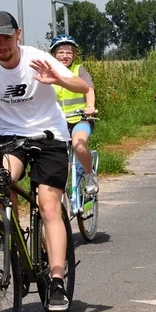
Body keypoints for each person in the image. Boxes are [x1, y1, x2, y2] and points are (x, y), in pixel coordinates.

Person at [0, 11, 90, 312]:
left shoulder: (36, 58)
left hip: (49, 137)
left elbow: (82, 86)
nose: (1, 45)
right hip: (12, 140)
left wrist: (58, 78)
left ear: (18, 35)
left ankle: (57, 281)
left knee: (48, 205)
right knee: (3, 179)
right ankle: (13, 237)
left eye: (6, 38)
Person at [50, 34, 99, 195]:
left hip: (80, 119)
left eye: (69, 52)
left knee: (79, 146)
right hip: (56, 123)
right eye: (61, 52)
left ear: (74, 55)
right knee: (58, 160)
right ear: (53, 54)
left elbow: (89, 89)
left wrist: (90, 106)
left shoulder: (79, 70)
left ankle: (89, 174)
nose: (65, 56)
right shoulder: (48, 73)